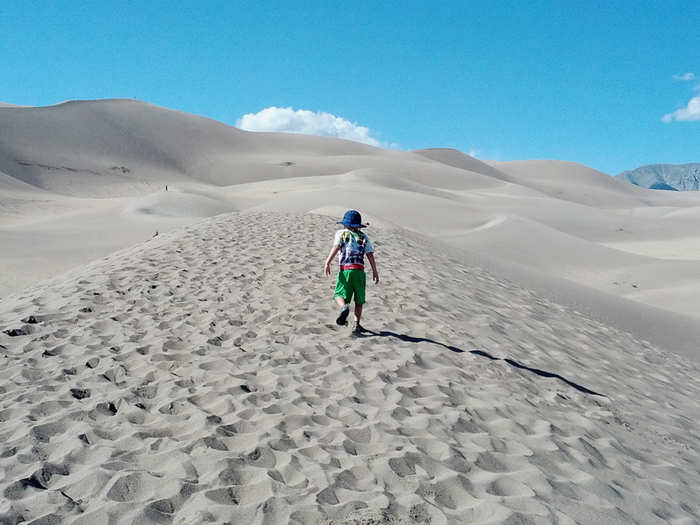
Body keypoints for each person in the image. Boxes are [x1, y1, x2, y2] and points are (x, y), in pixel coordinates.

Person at [324, 210, 379, 335]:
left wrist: (327, 262)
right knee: (359, 301)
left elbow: (336, 247)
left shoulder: (341, 233)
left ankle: (344, 307)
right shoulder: (364, 237)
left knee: (339, 294)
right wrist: (375, 271)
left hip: (345, 270)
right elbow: (370, 255)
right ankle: (356, 325)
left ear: (345, 224)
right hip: (359, 272)